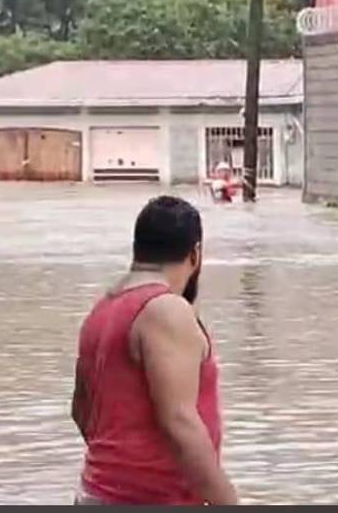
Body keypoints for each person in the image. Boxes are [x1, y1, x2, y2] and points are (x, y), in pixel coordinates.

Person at [71, 195, 238, 505]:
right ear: (195, 254)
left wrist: (118, 469)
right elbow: (179, 421)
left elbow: (80, 411)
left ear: (138, 249)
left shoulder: (102, 310)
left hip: (97, 494)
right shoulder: (166, 311)